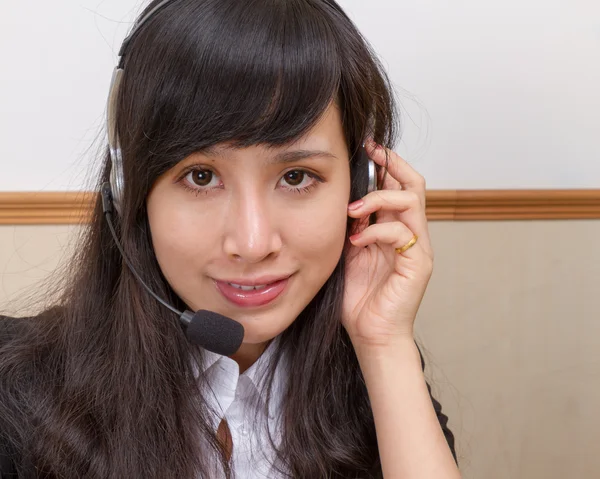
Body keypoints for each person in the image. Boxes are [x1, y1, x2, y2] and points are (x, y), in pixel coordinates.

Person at [0, 0, 460, 477]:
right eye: (201, 177)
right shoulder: (14, 386)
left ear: (362, 185)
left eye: (297, 176)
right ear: (127, 189)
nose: (253, 241)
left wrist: (383, 345)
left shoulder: (379, 382)